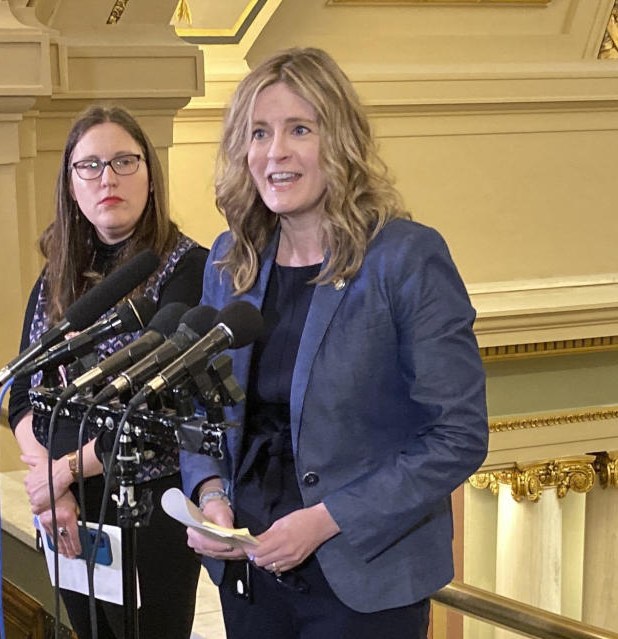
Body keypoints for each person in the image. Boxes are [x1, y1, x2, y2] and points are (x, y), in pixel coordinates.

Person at [180, 48, 489, 638]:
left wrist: (324, 520)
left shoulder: (405, 259)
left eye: (300, 129)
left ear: (340, 140)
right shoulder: (229, 261)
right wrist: (210, 493)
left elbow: (457, 435)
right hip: (252, 568)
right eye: (260, 133)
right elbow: (202, 409)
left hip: (363, 581)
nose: (277, 153)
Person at [8, 105, 206, 639]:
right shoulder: (56, 275)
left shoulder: (187, 269)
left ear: (149, 174)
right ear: (71, 185)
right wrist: (53, 487)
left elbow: (159, 408)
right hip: (69, 500)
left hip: (152, 496)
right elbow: (23, 398)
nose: (108, 178)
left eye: (124, 161)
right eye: (89, 166)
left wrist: (64, 472)